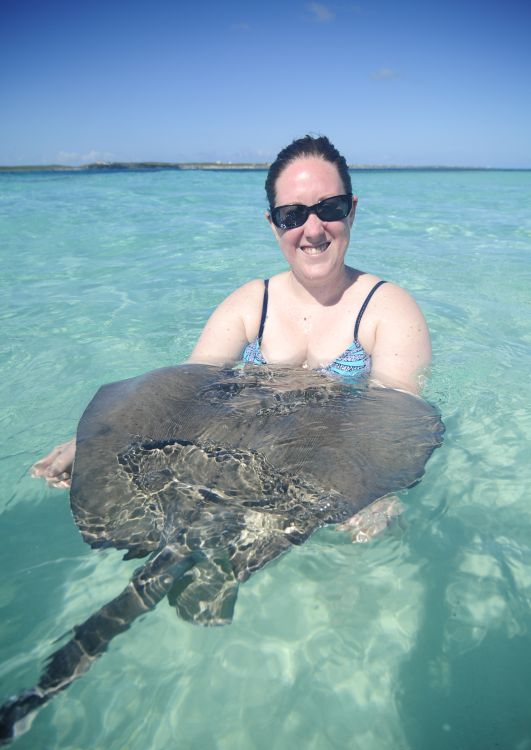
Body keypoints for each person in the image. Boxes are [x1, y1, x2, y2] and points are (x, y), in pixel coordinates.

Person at [32, 134, 431, 490]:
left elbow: (395, 414)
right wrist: (100, 437)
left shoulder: (387, 308)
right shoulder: (250, 304)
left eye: (329, 208)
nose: (312, 230)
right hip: (240, 454)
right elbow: (184, 385)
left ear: (352, 211)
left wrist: (374, 488)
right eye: (291, 215)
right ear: (273, 225)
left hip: (328, 468)